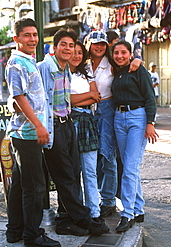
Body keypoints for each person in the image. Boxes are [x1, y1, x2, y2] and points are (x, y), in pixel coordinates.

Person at [38, 28, 109, 237]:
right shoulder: (44, 68)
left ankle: (65, 220)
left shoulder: (65, 71)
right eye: (65, 45)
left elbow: (72, 100)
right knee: (66, 176)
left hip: (67, 122)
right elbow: (37, 99)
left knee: (72, 173)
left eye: (72, 46)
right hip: (53, 126)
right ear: (55, 47)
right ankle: (83, 218)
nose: (69, 50)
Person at [4, 18, 60, 247]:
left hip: (25, 132)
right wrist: (39, 125)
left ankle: (15, 230)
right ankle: (33, 235)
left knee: (20, 185)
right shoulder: (17, 63)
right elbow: (19, 98)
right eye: (27, 35)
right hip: (27, 134)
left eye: (35, 34)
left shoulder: (28, 61)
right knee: (35, 186)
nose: (32, 39)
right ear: (17, 39)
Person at [85, 31, 142, 218]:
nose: (99, 47)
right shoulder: (82, 63)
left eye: (102, 43)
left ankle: (108, 200)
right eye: (95, 44)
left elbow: (128, 65)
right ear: (89, 45)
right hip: (86, 110)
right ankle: (93, 199)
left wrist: (138, 59)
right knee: (89, 159)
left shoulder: (111, 63)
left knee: (108, 156)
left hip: (108, 109)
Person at [111, 40, 158, 232]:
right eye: (116, 53)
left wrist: (150, 123)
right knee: (128, 165)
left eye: (124, 52)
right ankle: (138, 209)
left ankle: (127, 213)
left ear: (130, 54)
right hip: (118, 118)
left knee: (130, 167)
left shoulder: (139, 70)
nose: (120, 56)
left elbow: (149, 96)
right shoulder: (116, 71)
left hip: (137, 118)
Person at [68, 40, 102, 220]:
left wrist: (84, 97)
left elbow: (96, 97)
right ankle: (77, 212)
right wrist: (87, 95)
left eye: (80, 52)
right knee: (73, 171)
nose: (76, 55)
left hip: (87, 121)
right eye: (73, 51)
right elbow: (65, 100)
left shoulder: (87, 73)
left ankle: (94, 212)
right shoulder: (62, 73)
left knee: (90, 170)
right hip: (68, 121)